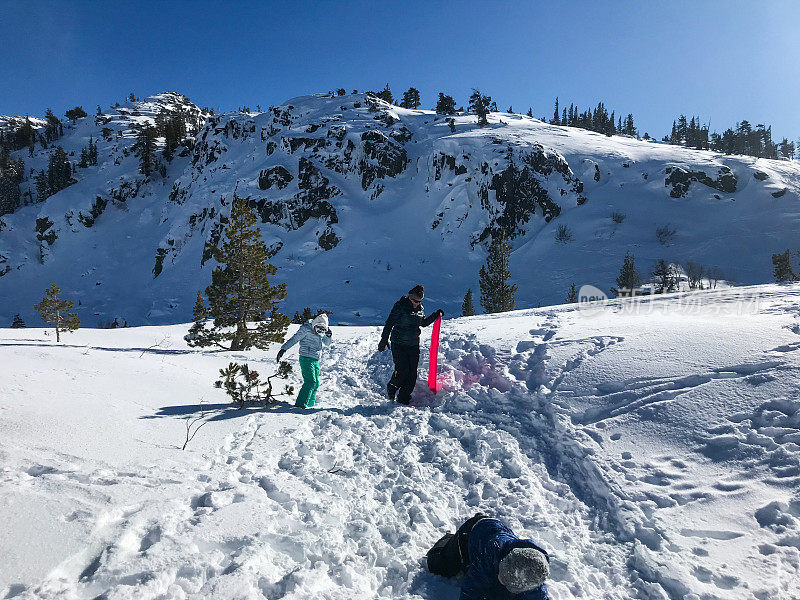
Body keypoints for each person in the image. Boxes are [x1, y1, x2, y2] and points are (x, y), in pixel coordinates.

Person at [427, 514, 550, 600]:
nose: (499, 576)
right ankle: (448, 540)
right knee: (439, 565)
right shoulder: (490, 552)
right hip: (472, 532)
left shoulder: (534, 579)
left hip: (495, 536)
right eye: (501, 572)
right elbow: (471, 588)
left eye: (504, 577)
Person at [378, 284, 443, 405]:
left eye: (419, 301)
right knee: (402, 370)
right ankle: (392, 386)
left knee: (412, 374)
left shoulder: (420, 309)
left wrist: (435, 315)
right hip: (398, 343)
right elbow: (389, 324)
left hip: (413, 344)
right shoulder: (400, 307)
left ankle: (403, 398)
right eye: (415, 301)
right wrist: (383, 340)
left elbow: (423, 323)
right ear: (410, 297)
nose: (417, 303)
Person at [277, 313, 332, 408]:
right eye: (318, 329)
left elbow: (327, 343)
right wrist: (283, 349)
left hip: (315, 359)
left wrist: (328, 336)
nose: (319, 332)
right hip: (306, 358)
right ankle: (300, 405)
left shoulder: (321, 331)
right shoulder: (306, 329)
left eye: (322, 331)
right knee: (310, 381)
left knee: (316, 383)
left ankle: (310, 404)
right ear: (315, 325)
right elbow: (294, 339)